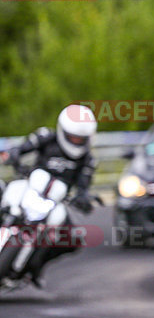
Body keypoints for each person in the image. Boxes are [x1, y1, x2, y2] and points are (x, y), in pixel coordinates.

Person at [0, 104, 98, 285]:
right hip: (30, 185)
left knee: (72, 240)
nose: (76, 141)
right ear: (63, 131)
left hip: (55, 201)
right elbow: (21, 148)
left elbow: (84, 185)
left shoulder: (88, 160)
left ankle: (35, 267)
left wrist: (83, 198)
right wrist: (13, 154)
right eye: (73, 137)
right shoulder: (45, 137)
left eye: (80, 139)